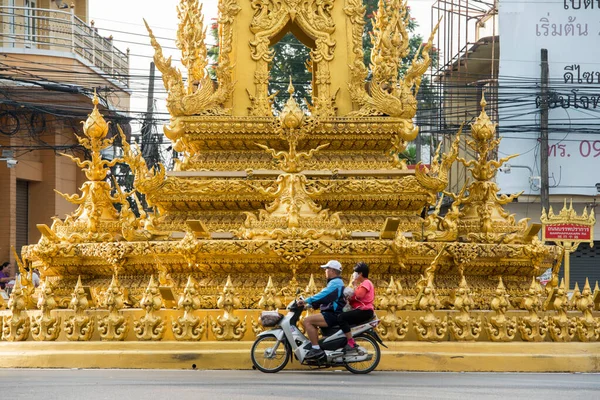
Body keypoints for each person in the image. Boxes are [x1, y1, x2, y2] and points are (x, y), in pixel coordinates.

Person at [298, 260, 346, 359]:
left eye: (326, 269)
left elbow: (323, 296)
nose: (325, 271)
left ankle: (316, 349)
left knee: (307, 321)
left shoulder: (335, 283)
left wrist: (306, 301)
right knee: (312, 322)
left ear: (332, 271)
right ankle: (317, 346)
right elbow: (327, 299)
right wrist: (309, 306)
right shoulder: (334, 282)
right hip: (331, 312)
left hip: (333, 314)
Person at [337, 262, 375, 352]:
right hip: (361, 310)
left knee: (341, 318)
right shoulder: (361, 285)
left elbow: (359, 296)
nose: (354, 274)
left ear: (360, 273)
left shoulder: (366, 283)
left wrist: (354, 285)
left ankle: (351, 342)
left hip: (365, 311)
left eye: (355, 272)